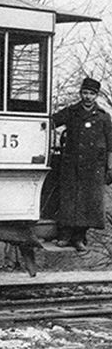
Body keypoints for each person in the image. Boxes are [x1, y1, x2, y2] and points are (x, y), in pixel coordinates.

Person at [52, 77, 112, 251]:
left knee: (88, 204)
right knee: (69, 201)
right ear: (80, 93)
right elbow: (51, 121)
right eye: (85, 93)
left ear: (96, 95)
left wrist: (110, 167)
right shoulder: (71, 112)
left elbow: (111, 145)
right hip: (72, 166)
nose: (87, 97)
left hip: (94, 169)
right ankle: (64, 236)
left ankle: (79, 238)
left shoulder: (103, 117)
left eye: (91, 94)